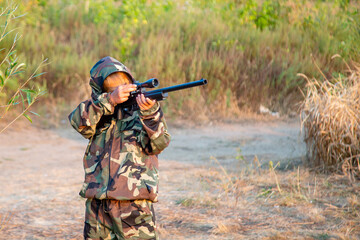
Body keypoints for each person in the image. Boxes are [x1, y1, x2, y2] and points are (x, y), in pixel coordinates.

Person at [68, 56, 171, 240]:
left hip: (133, 206)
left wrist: (150, 114)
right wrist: (110, 101)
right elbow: (78, 121)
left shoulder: (143, 113)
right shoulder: (99, 111)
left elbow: (159, 144)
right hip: (97, 205)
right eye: (112, 88)